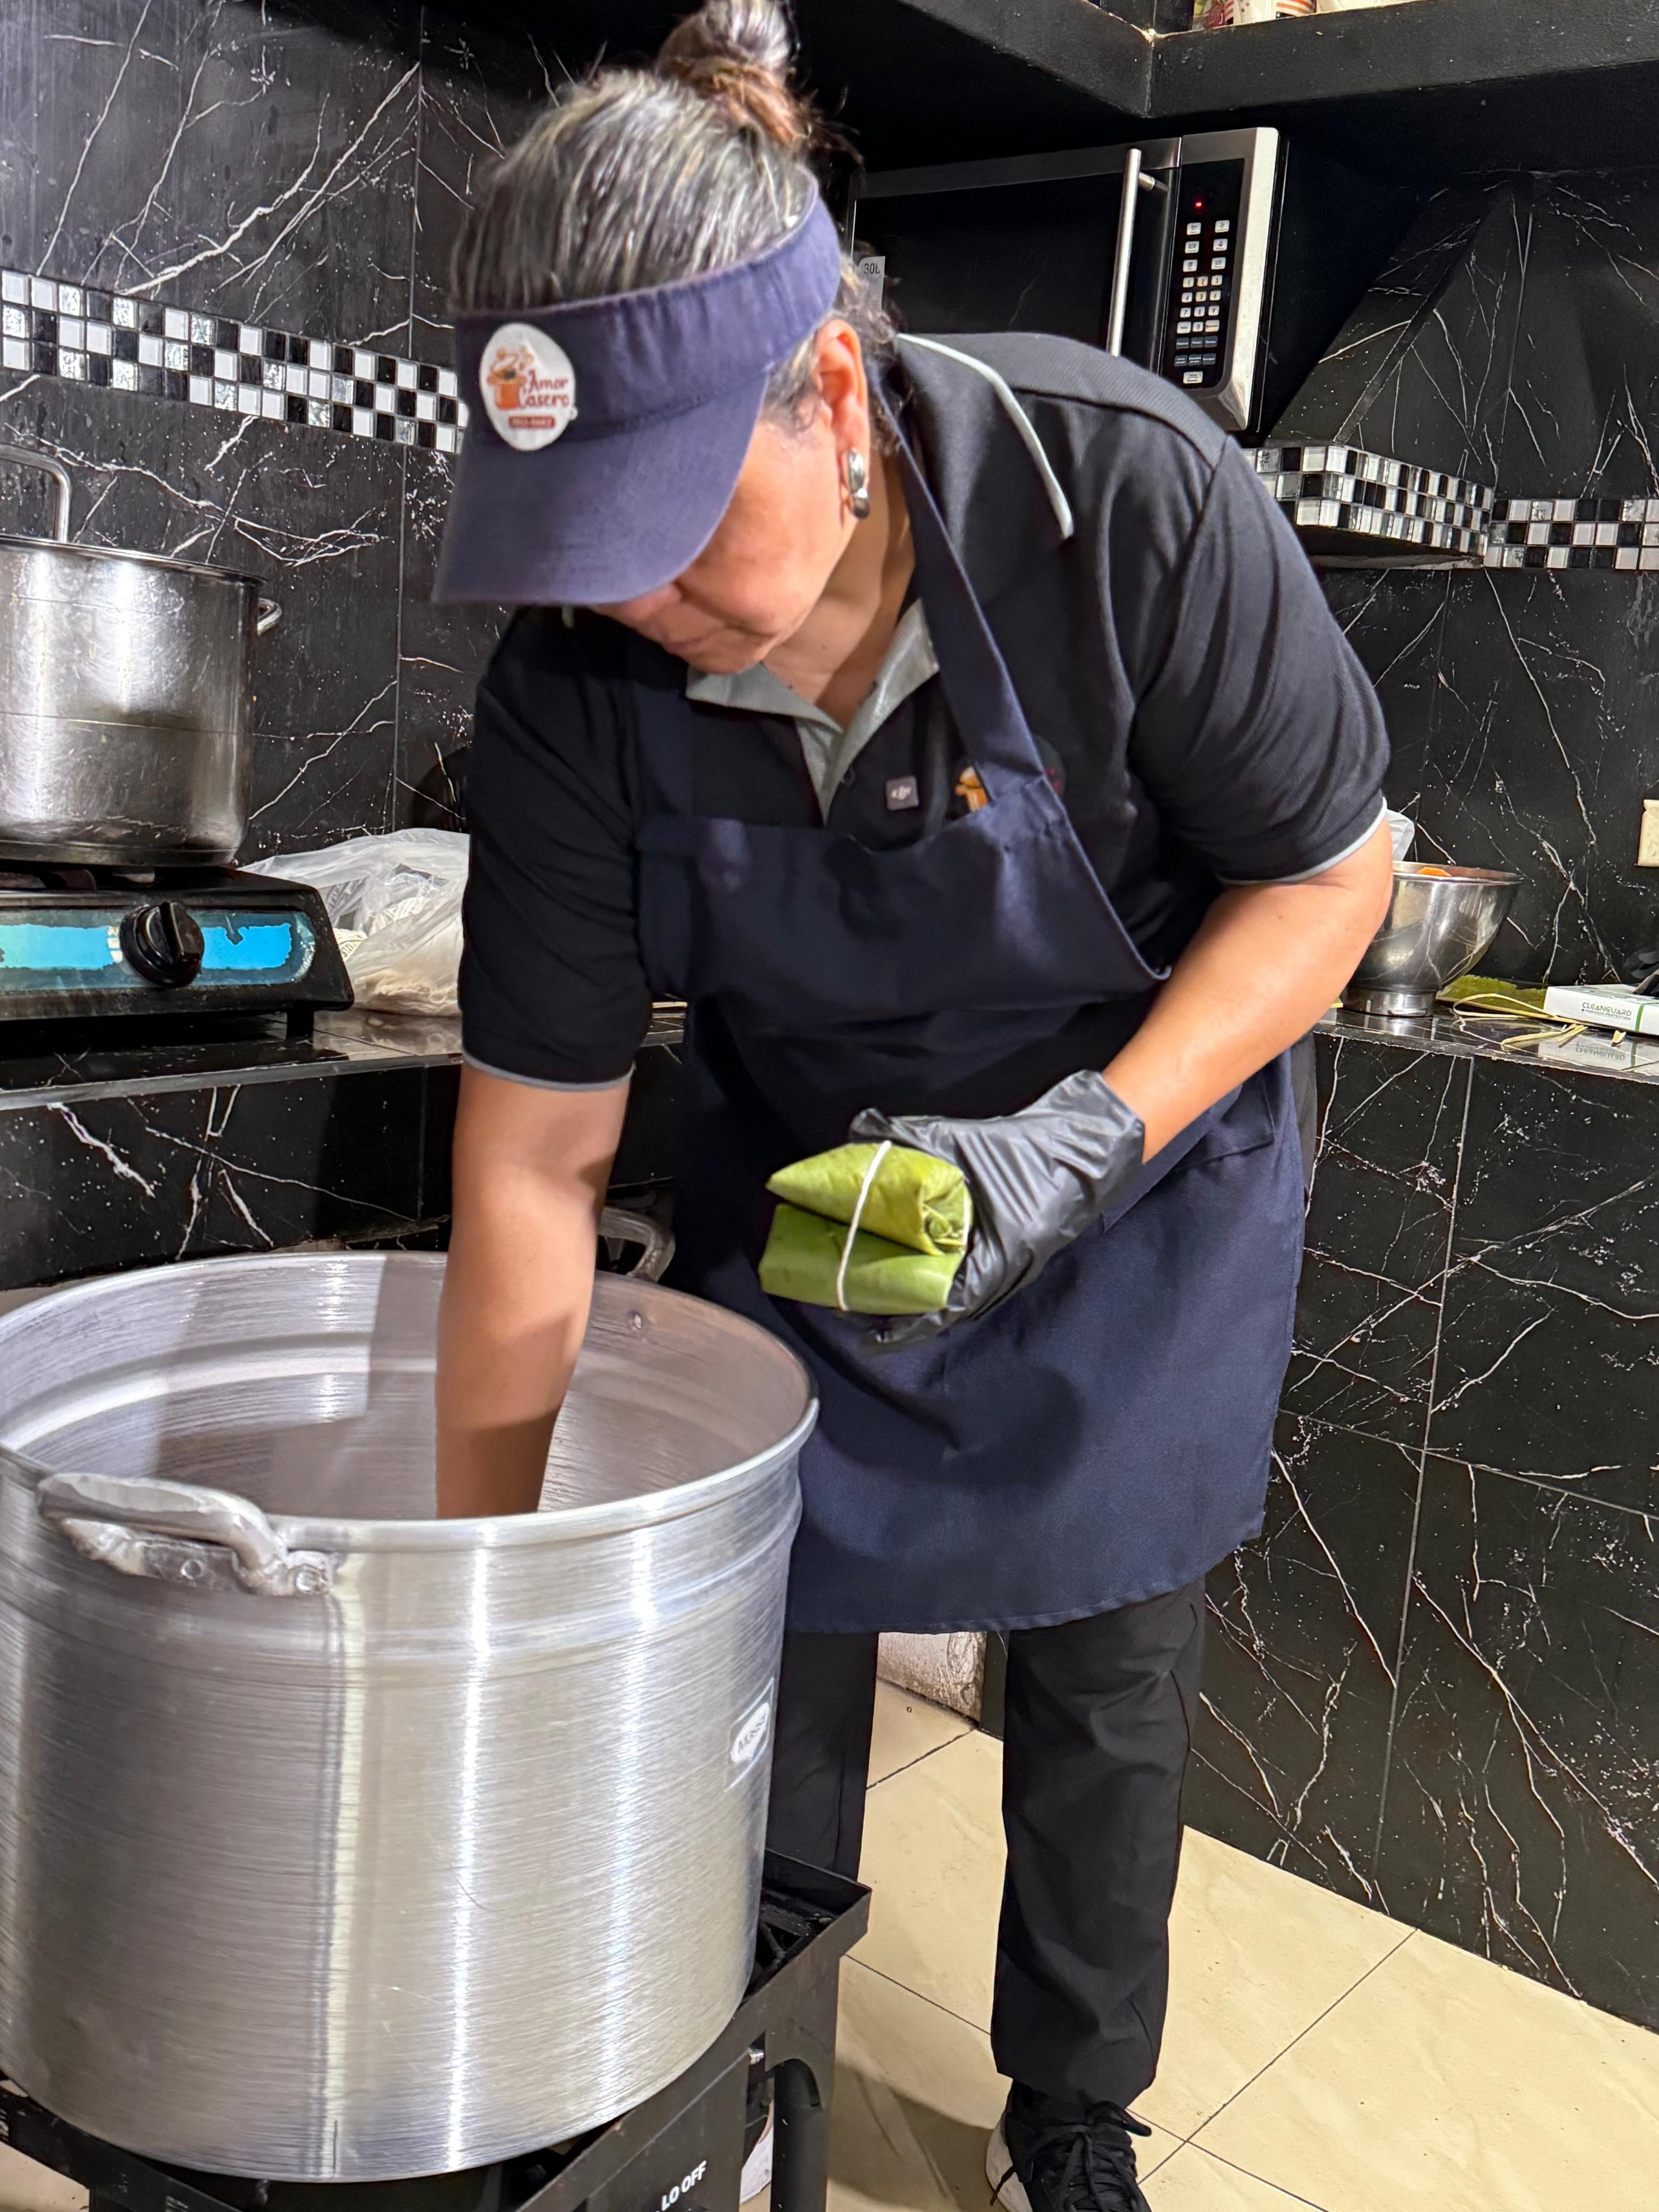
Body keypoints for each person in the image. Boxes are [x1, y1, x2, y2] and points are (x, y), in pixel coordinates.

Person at [431, 7, 1393, 2209]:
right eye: (575, 554)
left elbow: (1330, 871)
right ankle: (733, 2061)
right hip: (808, 1184)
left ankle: (1074, 2109)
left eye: (672, 539)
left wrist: (1079, 1146)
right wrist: (490, 1596)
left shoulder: (1122, 495)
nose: (625, 607)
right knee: (759, 1636)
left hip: (1134, 1161)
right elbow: (532, 1159)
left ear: (839, 396)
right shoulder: (574, 678)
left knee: (1103, 1666)